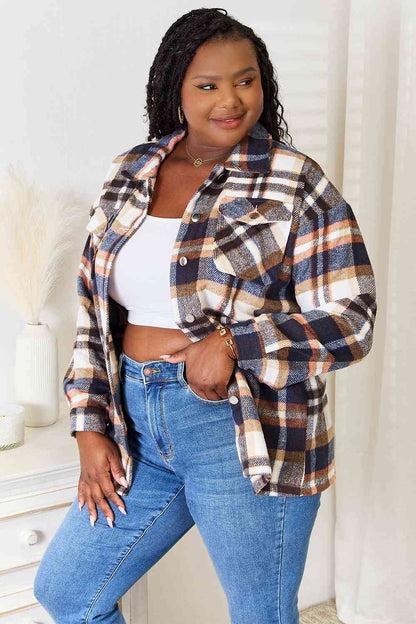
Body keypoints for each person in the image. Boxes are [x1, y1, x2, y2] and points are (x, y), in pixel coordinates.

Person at [33, 8, 377, 624]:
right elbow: (92, 312)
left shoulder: (294, 181)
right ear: (177, 89)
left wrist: (236, 343)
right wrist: (89, 425)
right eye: (208, 84)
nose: (231, 100)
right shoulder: (130, 171)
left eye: (246, 80)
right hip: (137, 425)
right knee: (69, 593)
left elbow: (352, 318)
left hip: (242, 427)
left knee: (259, 613)